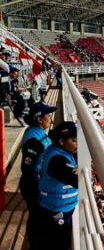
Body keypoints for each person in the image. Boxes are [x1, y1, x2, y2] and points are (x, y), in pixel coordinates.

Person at [37, 121, 78, 250]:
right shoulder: (57, 161)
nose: (77, 144)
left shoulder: (56, 151)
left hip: (54, 206)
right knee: (59, 244)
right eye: (74, 140)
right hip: (56, 210)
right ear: (61, 141)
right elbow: (76, 180)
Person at [20, 102, 55, 249]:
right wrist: (39, 188)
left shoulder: (38, 132)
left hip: (36, 184)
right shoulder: (34, 140)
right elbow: (27, 168)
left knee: (37, 216)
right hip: (33, 185)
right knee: (37, 217)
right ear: (39, 119)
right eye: (48, 115)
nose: (51, 119)